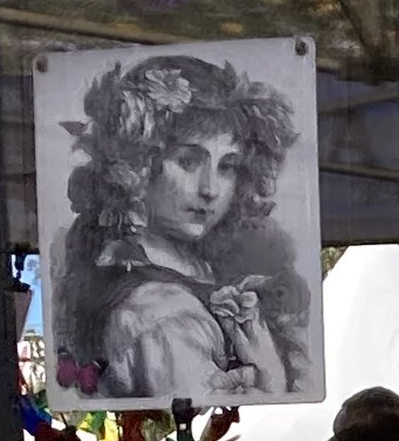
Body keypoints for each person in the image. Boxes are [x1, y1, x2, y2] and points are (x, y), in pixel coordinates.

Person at [50, 52, 311, 405]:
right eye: (188, 162)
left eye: (227, 167)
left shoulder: (190, 266)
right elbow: (202, 416)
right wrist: (271, 377)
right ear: (138, 164)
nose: (210, 189)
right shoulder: (163, 315)